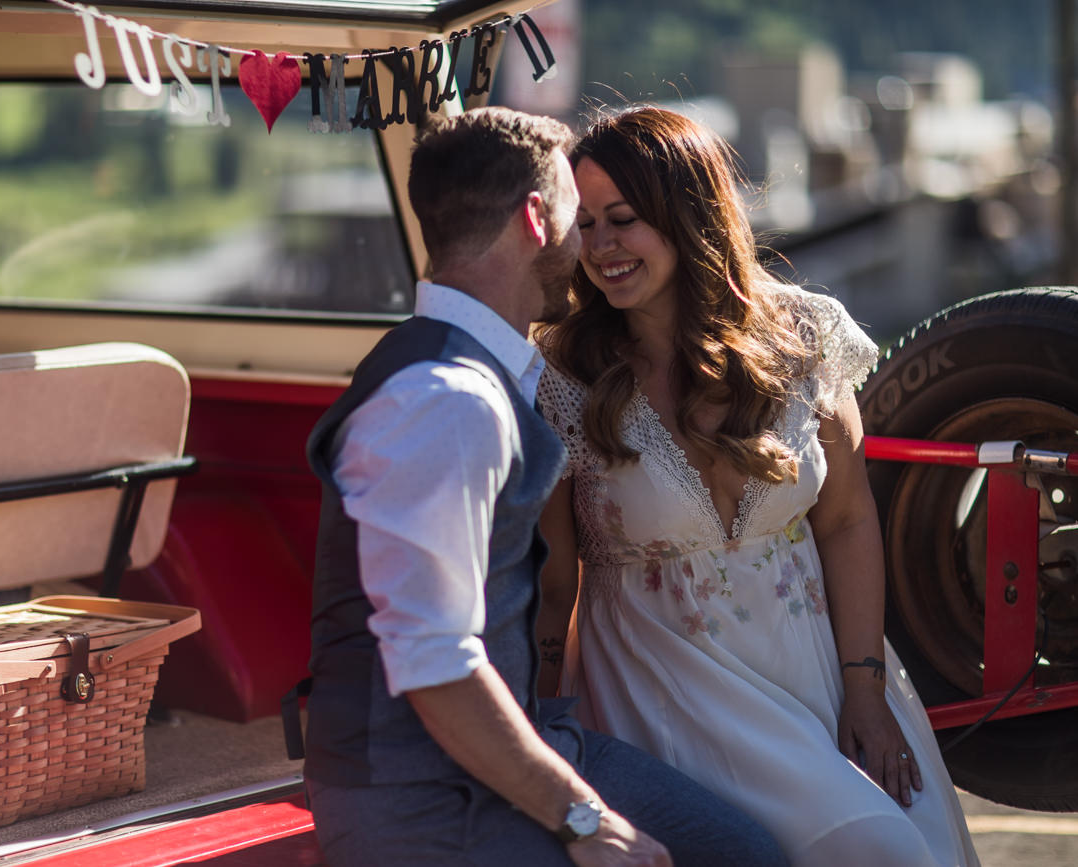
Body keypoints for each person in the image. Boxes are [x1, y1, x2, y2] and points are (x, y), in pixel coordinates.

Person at [302, 106, 788, 867]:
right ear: (537, 217)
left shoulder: (473, 376)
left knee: (745, 853)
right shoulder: (447, 399)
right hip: (423, 800)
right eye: (577, 217)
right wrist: (587, 822)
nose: (590, 245)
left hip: (512, 742)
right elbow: (434, 660)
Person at [533, 104, 979, 866]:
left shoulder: (804, 335)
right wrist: (544, 722)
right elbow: (555, 574)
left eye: (625, 219)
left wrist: (865, 689)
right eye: (587, 224)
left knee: (910, 840)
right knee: (874, 850)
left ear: (686, 213)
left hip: (816, 673)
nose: (601, 247)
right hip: (662, 691)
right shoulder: (564, 377)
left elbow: (844, 519)